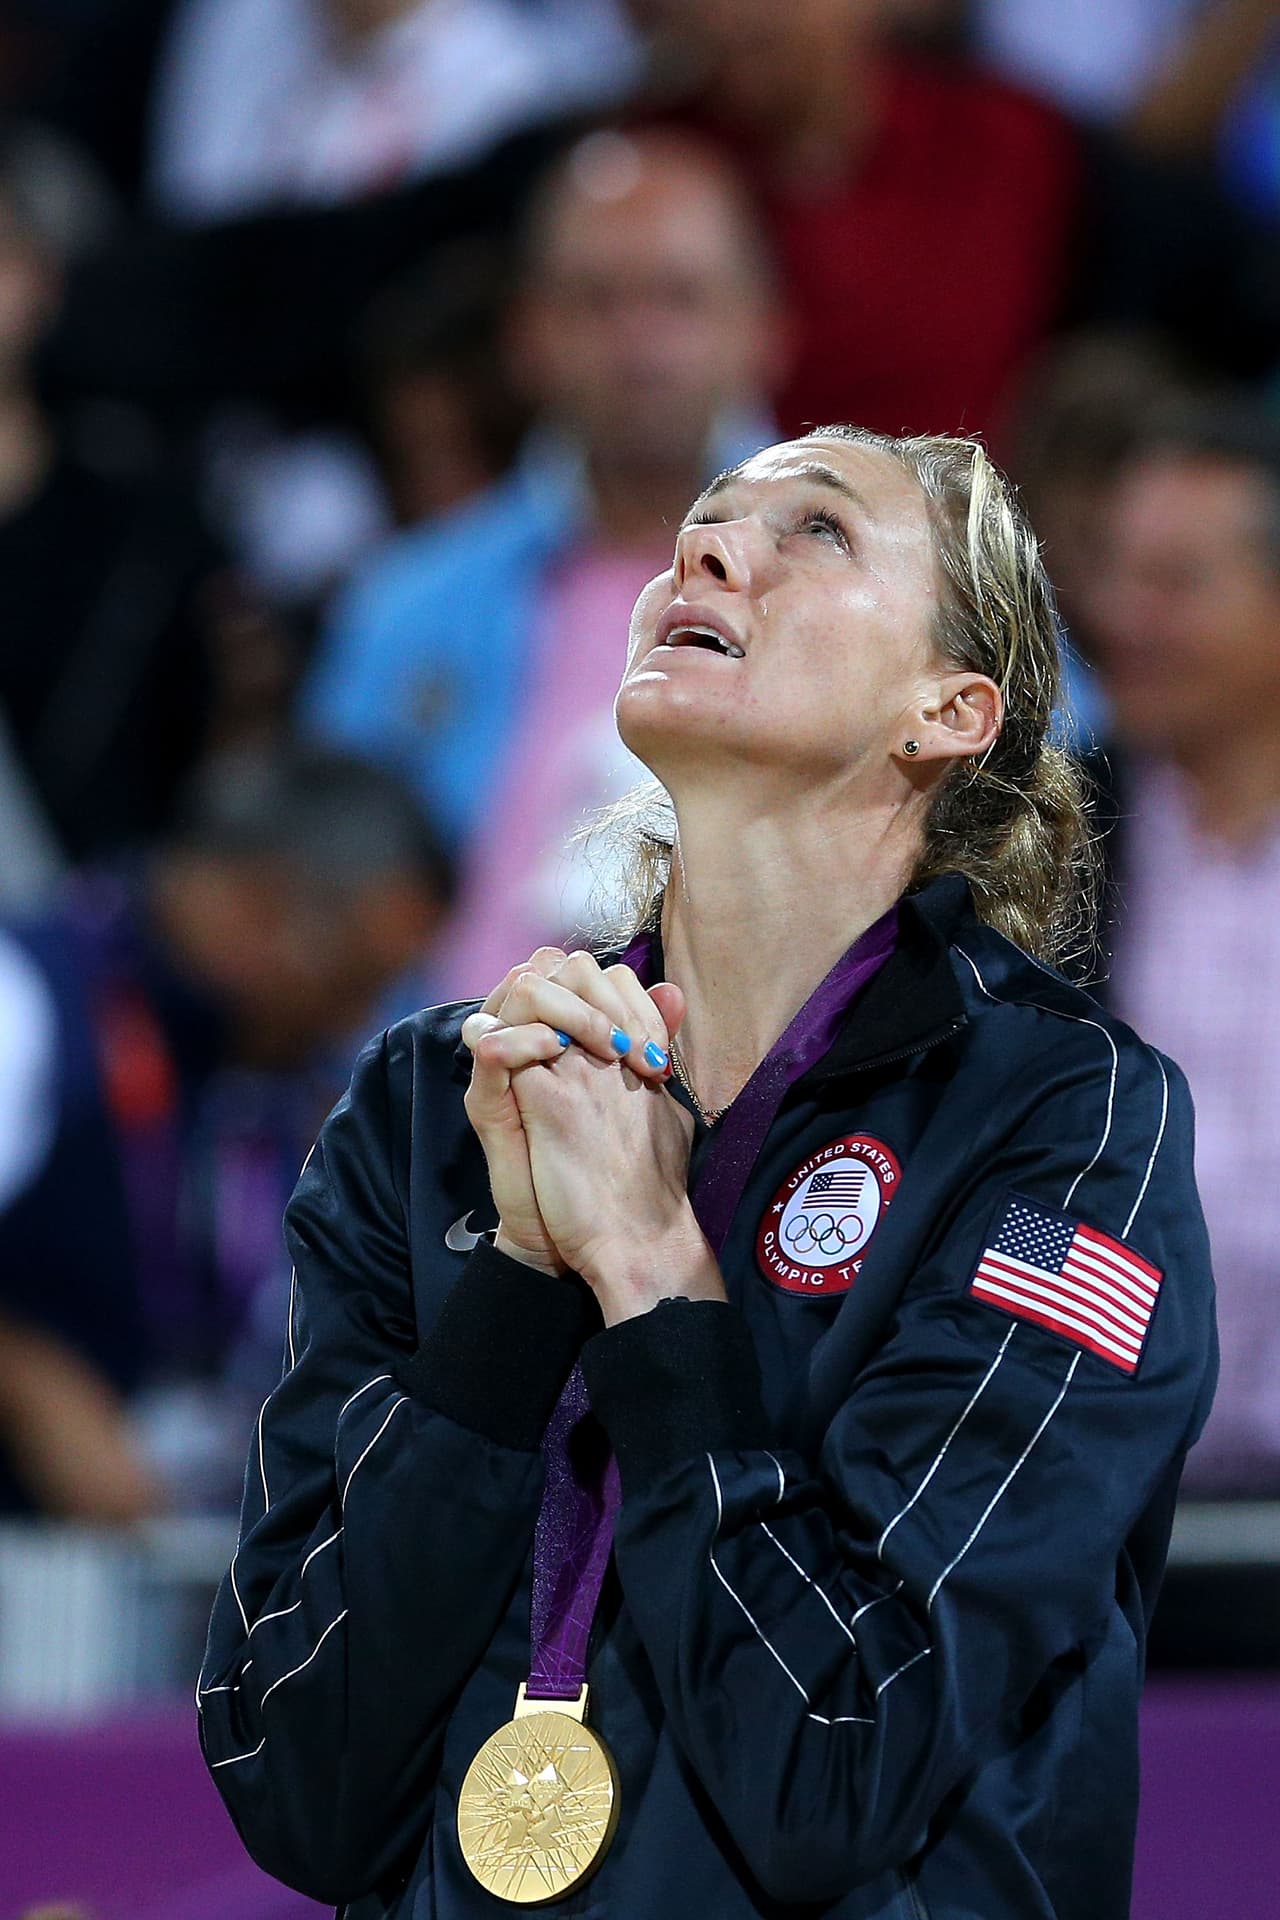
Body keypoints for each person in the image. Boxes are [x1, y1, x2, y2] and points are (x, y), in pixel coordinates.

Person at [200, 426, 1215, 1918]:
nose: (709, 550)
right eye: (705, 522)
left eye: (819, 532)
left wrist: (659, 1285)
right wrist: (521, 1280)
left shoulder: (1063, 1122)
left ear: (949, 709)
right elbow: (300, 1781)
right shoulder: (436, 1104)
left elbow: (839, 1758)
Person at [304, 129, 781, 992]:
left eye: (679, 297)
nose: (640, 343)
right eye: (597, 301)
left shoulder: (894, 580)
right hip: (444, 1096)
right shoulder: (403, 603)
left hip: (789, 1104)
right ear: (529, 333)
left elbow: (1021, 814)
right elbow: (320, 891)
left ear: (764, 325)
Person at [0, 746, 453, 1516]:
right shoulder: (23, 1005)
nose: (350, 1026)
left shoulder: (255, 1080)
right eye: (351, 981)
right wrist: (31, 1386)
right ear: (259, 905)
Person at [1088, 401, 1280, 1498]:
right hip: (1112, 1486)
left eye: (1173, 583)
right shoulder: (1049, 836)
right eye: (1114, 572)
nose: (1122, 616)